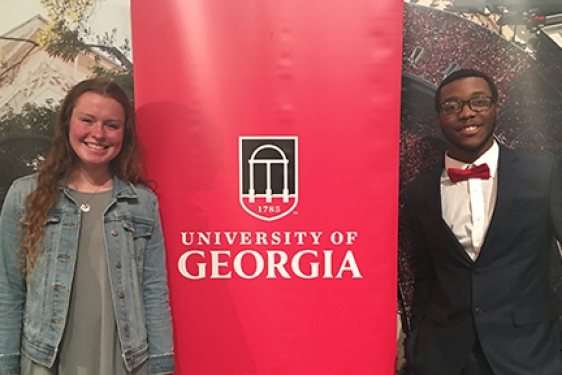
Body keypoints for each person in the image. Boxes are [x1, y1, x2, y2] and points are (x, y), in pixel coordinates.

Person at [0, 79, 175, 375]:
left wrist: (161, 366)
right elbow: (9, 290)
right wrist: (6, 363)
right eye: (87, 120)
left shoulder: (142, 203)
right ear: (68, 122)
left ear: (124, 134)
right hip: (44, 362)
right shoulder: (24, 196)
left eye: (111, 125)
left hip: (125, 364)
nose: (98, 134)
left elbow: (154, 291)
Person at [402, 68, 562, 375]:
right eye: (452, 106)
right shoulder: (418, 192)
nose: (466, 113)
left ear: (495, 107)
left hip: (530, 353)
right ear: (438, 116)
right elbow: (425, 275)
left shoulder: (543, 174)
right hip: (445, 356)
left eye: (478, 101)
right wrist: (417, 344)